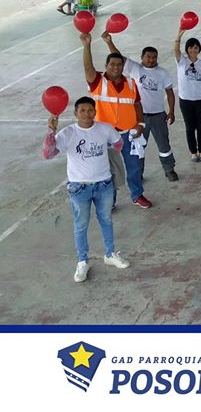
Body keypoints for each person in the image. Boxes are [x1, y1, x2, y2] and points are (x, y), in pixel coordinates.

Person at [42, 97, 130, 283]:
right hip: (79, 187)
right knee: (81, 224)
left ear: (95, 112)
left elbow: (118, 144)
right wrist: (51, 131)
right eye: (82, 110)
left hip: (104, 184)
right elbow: (48, 153)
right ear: (75, 113)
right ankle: (82, 261)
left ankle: (110, 254)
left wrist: (106, 152)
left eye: (90, 110)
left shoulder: (104, 129)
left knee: (106, 220)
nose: (87, 113)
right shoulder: (68, 133)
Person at [81, 33, 152, 210]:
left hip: (129, 134)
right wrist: (86, 46)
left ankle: (137, 195)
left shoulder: (131, 83)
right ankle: (109, 201)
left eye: (119, 64)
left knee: (134, 167)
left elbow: (137, 104)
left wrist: (140, 123)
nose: (116, 67)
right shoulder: (98, 82)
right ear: (106, 66)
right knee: (108, 170)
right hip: (105, 136)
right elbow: (88, 68)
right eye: (112, 64)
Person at [100, 32, 178, 182]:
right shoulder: (135, 68)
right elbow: (118, 57)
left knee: (164, 146)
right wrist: (109, 42)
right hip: (138, 118)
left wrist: (172, 111)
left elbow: (170, 93)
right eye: (148, 57)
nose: (151, 59)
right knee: (138, 147)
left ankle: (169, 169)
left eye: (154, 57)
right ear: (142, 57)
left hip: (158, 116)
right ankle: (138, 173)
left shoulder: (163, 73)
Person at [173, 29, 201, 163]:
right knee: (189, 127)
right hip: (186, 100)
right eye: (190, 47)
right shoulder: (181, 62)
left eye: (195, 47)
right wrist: (178, 37)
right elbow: (176, 50)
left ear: (199, 49)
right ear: (187, 49)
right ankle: (193, 152)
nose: (193, 50)